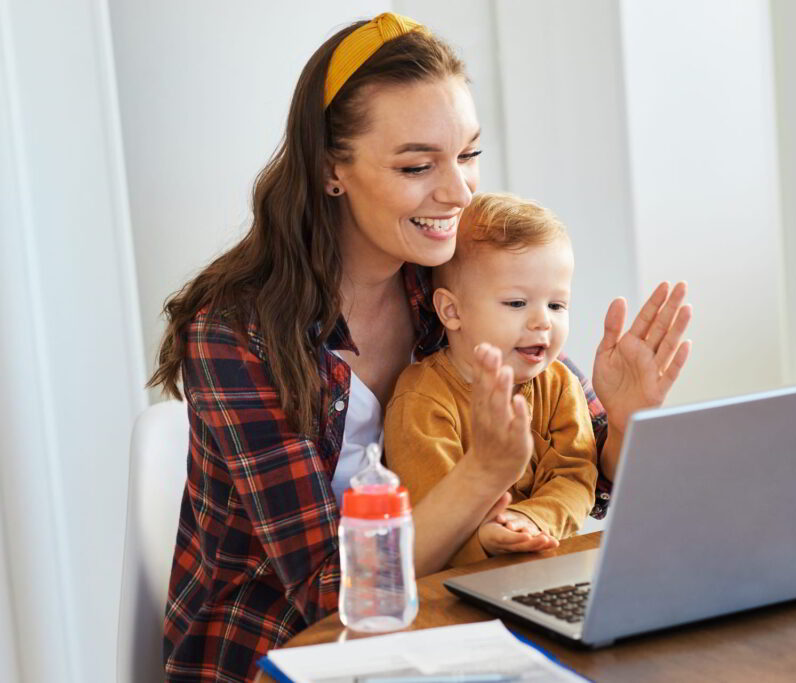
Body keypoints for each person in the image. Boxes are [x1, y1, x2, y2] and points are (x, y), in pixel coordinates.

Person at [148, 12, 691, 682]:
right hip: (281, 654)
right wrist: (481, 476)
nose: (458, 191)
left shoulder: (454, 279)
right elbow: (332, 593)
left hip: (455, 632)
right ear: (330, 171)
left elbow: (578, 477)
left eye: (468, 155)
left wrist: (627, 417)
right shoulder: (234, 336)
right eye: (416, 165)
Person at [384, 192, 605, 567]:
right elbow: (431, 510)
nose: (542, 322)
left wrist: (531, 520)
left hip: (544, 564)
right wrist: (487, 537)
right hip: (453, 586)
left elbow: (576, 474)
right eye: (517, 304)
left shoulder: (559, 383)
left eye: (556, 305)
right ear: (451, 310)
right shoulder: (422, 398)